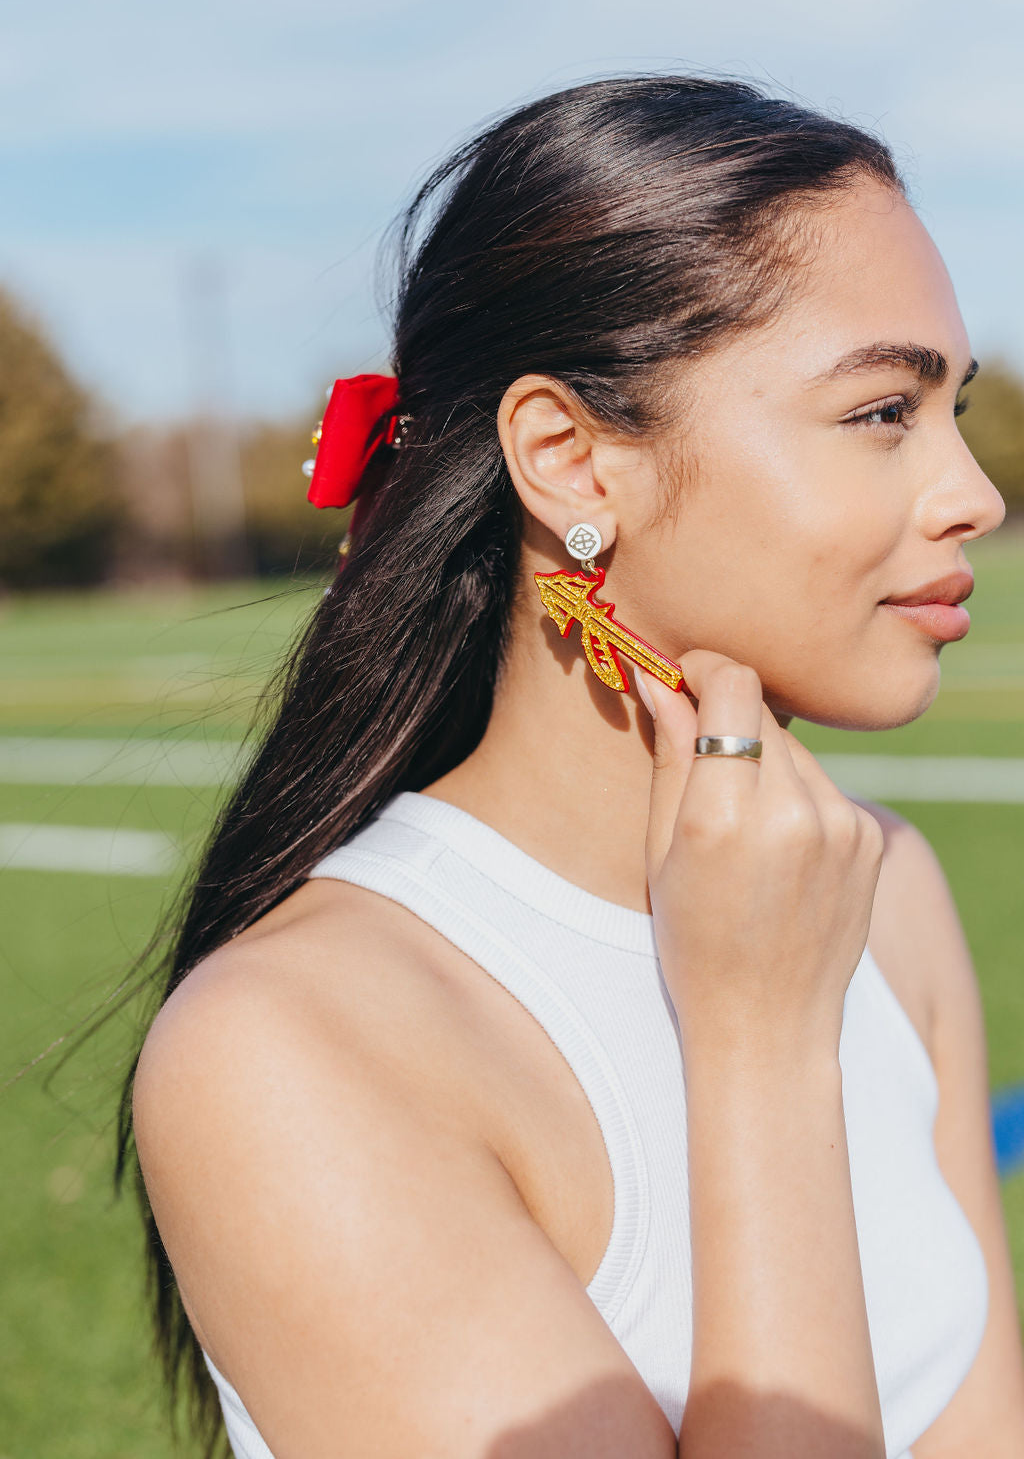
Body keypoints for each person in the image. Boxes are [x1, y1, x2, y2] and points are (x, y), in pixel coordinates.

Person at [127, 74, 1024, 1458]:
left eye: (949, 408)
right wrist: (763, 1048)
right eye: (880, 413)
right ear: (570, 461)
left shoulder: (881, 883)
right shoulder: (292, 1048)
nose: (976, 494)